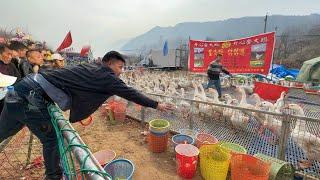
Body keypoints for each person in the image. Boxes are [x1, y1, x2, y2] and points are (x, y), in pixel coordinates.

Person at [0, 50, 173, 179]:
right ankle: (53, 177)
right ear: (109, 64)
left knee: (3, 132)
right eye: (119, 67)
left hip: (20, 90)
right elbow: (130, 93)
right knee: (51, 138)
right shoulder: (106, 77)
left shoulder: (92, 67)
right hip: (31, 98)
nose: (121, 71)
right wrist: (157, 104)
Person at [0, 44, 21, 111]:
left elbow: (18, 79)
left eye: (11, 55)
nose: (10, 57)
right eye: (8, 54)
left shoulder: (12, 65)